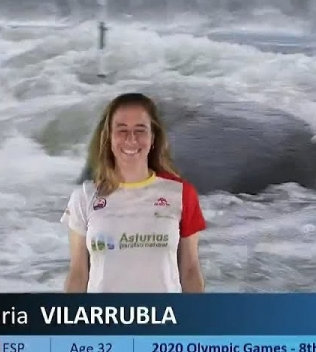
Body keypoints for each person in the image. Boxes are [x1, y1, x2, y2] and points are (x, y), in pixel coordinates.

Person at [61, 92, 207, 293]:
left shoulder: (181, 194)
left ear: (153, 137)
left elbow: (190, 270)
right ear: (108, 137)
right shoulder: (84, 197)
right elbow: (78, 273)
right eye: (122, 130)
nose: (131, 138)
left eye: (140, 130)